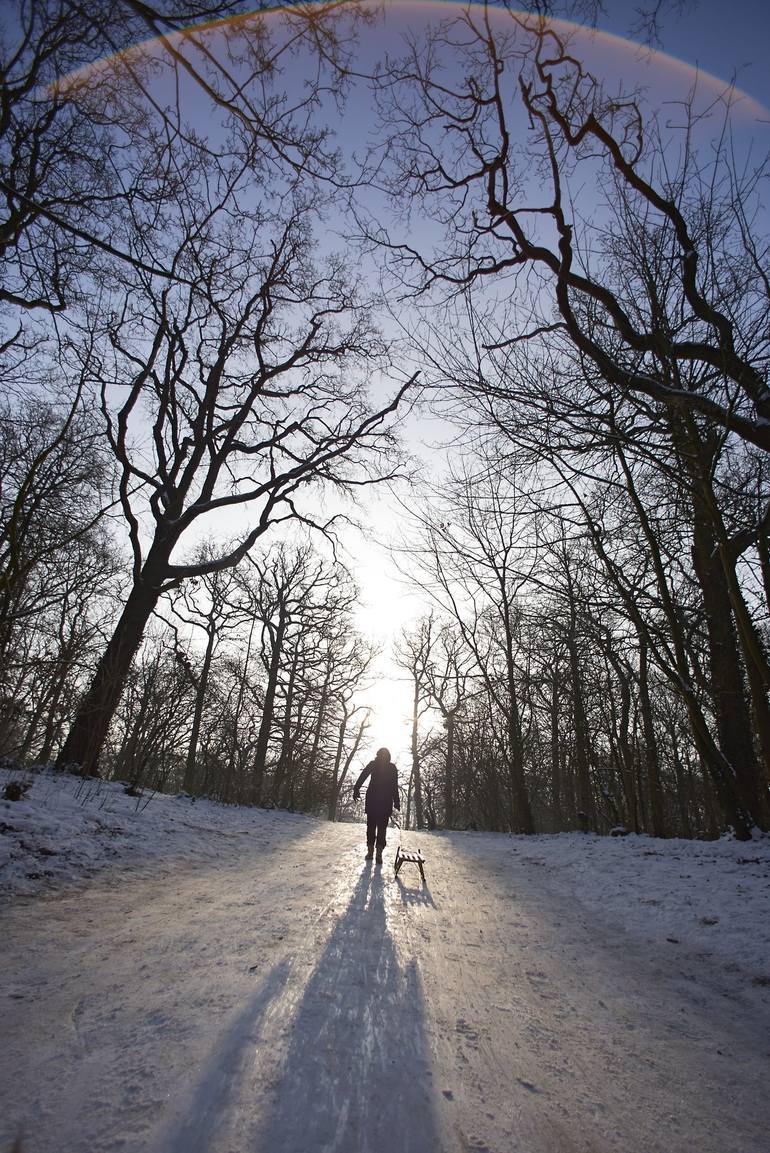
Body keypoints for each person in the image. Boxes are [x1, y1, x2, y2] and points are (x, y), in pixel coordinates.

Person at [353, 747, 400, 863]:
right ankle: (378, 853)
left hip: (373, 799)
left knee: (371, 826)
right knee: (382, 827)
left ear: (378, 755)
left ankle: (371, 852)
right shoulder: (392, 767)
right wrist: (396, 801)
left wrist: (356, 788)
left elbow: (363, 776)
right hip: (385, 801)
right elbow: (394, 786)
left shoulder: (374, 764)